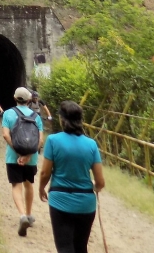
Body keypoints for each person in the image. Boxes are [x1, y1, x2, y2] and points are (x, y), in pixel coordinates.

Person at [38, 100, 106, 253]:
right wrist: (94, 186)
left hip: (60, 201)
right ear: (80, 120)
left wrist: (41, 188)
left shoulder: (53, 140)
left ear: (62, 119)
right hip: (86, 205)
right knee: (81, 247)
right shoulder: (91, 144)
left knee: (64, 247)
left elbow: (45, 172)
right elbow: (100, 182)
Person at [2, 87, 45, 237]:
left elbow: (6, 136)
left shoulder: (8, 113)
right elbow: (40, 140)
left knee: (16, 185)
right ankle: (29, 213)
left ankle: (22, 216)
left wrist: (19, 152)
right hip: (31, 159)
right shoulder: (36, 116)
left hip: (13, 157)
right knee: (28, 184)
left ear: (15, 98)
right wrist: (28, 155)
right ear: (28, 100)